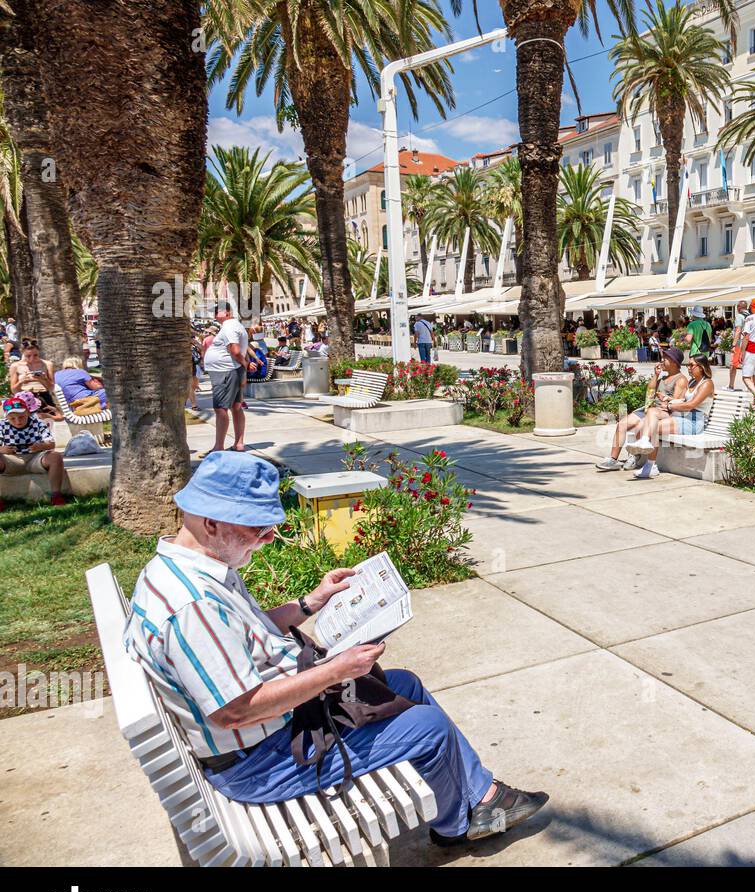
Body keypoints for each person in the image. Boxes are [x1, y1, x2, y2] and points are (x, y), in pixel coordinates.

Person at [123, 453, 548, 843]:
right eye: (258, 527)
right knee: (428, 727)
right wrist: (335, 670)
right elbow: (236, 709)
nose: (270, 537)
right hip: (258, 762)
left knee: (405, 684)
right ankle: (456, 828)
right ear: (211, 522)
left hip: (269, 732)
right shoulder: (192, 607)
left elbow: (241, 633)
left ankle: (483, 796)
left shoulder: (192, 568)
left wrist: (310, 602)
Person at [624, 353, 716, 480]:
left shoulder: (707, 384)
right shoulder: (693, 381)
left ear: (700, 367)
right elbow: (683, 400)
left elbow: (691, 404)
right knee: (652, 412)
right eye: (687, 365)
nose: (688, 367)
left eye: (691, 365)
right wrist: (669, 399)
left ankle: (650, 466)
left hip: (694, 422)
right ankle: (645, 442)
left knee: (653, 426)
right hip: (683, 417)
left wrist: (669, 406)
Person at [595, 347, 688, 471]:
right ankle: (613, 459)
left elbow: (676, 404)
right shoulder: (663, 377)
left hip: (663, 413)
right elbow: (650, 391)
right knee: (622, 424)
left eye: (666, 358)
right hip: (651, 408)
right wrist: (656, 375)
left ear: (674, 362)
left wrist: (665, 398)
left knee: (640, 426)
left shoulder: (681, 380)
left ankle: (634, 456)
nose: (662, 360)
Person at [0, 393, 66, 508]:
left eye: (21, 417)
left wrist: (41, 446)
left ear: (27, 412)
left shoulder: (38, 423)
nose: (17, 421)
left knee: (55, 456)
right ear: (6, 417)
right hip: (10, 461)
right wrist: (2, 449)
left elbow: (51, 443)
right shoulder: (2, 425)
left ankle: (56, 495)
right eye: (12, 418)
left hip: (34, 458)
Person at [202, 312, 251, 457]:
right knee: (236, 407)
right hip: (229, 370)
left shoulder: (229, 326)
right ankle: (238, 443)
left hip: (225, 371)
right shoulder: (233, 326)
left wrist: (244, 364)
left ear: (227, 313)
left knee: (220, 408)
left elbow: (235, 350)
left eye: (219, 311)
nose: (215, 314)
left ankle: (219, 447)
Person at [8, 341, 61, 420]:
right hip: (25, 398)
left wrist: (43, 379)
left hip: (43, 397)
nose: (32, 359)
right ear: (22, 353)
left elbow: (51, 388)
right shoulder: (15, 366)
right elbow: (14, 390)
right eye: (28, 356)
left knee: (48, 423)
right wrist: (21, 381)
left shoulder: (47, 364)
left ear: (39, 352)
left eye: (35, 355)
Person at [727, 298, 748, 391]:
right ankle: (749, 387)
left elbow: (738, 330)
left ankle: (731, 385)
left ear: (739, 307)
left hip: (739, 344)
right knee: (747, 365)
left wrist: (734, 344)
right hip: (748, 344)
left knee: (733, 364)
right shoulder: (750, 316)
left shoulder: (739, 316)